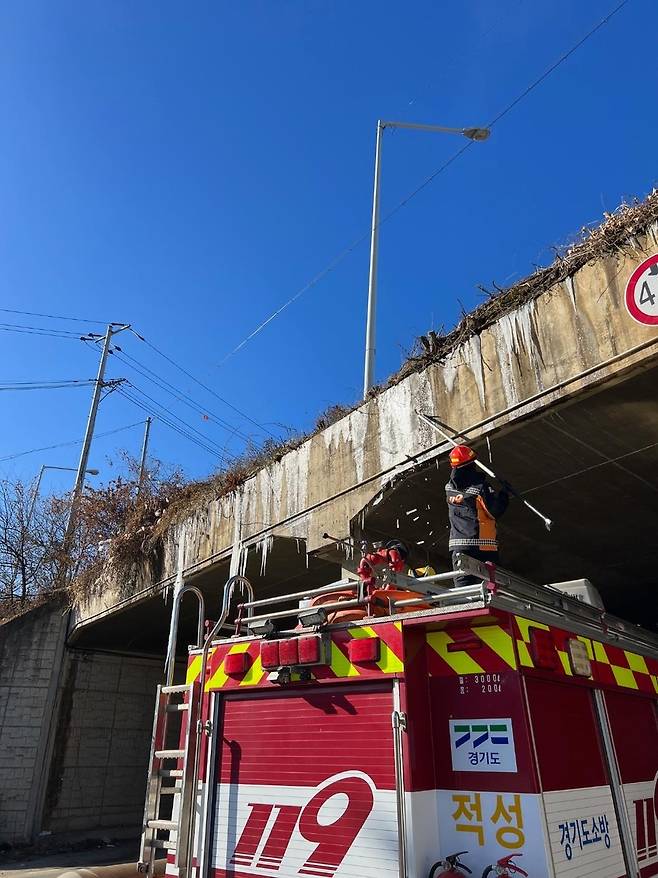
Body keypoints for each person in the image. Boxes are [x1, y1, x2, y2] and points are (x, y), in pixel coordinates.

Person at [445, 445, 509, 587]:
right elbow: (494, 511)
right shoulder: (480, 488)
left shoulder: (449, 488)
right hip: (482, 548)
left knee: (464, 590)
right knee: (491, 590)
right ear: (472, 463)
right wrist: (504, 494)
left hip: (458, 548)